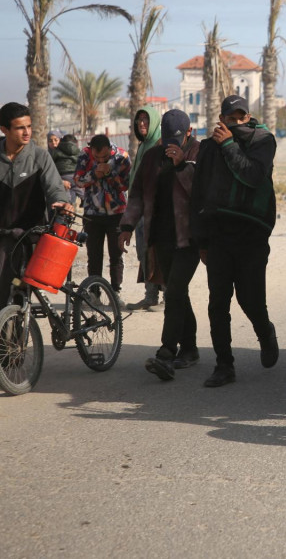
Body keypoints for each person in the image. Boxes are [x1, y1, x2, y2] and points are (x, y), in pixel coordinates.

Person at [0, 102, 71, 379]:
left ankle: (8, 360)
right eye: (20, 127)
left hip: (33, 238)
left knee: (20, 294)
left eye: (29, 126)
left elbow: (54, 188)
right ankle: (7, 355)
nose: (27, 132)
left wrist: (61, 202)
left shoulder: (39, 157)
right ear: (4, 129)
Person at [190, 95, 279, 388]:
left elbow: (253, 176)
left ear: (249, 117)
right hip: (218, 234)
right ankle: (224, 365)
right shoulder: (207, 148)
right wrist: (200, 239)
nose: (238, 123)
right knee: (218, 303)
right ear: (222, 119)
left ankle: (265, 332)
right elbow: (199, 194)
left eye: (242, 118)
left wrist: (229, 144)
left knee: (251, 300)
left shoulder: (263, 141)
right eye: (232, 118)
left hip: (251, 234)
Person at [118, 109, 201, 381]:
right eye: (166, 140)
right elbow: (138, 196)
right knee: (178, 292)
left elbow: (201, 190)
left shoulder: (200, 153)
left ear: (189, 133)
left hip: (190, 239)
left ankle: (166, 352)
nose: (170, 145)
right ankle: (189, 349)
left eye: (176, 139)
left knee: (175, 291)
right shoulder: (152, 156)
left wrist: (180, 166)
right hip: (161, 238)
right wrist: (127, 226)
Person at [74, 134, 131, 304]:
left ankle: (115, 293)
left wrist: (110, 173)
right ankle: (94, 293)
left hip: (116, 214)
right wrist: (95, 173)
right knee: (94, 255)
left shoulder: (122, 157)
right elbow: (78, 181)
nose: (100, 160)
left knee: (116, 254)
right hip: (92, 214)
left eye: (104, 157)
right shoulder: (84, 156)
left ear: (110, 149)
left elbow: (125, 184)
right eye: (96, 157)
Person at [125, 106, 164, 312]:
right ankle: (150, 296)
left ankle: (168, 295)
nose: (142, 124)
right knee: (143, 252)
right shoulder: (143, 145)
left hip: (155, 211)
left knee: (159, 252)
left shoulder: (159, 143)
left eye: (146, 120)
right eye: (139, 120)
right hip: (140, 210)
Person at [48, 130, 80, 205]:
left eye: (56, 140)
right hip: (64, 181)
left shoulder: (56, 152)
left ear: (60, 140)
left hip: (64, 178)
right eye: (50, 140)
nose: (53, 143)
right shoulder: (47, 155)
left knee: (68, 200)